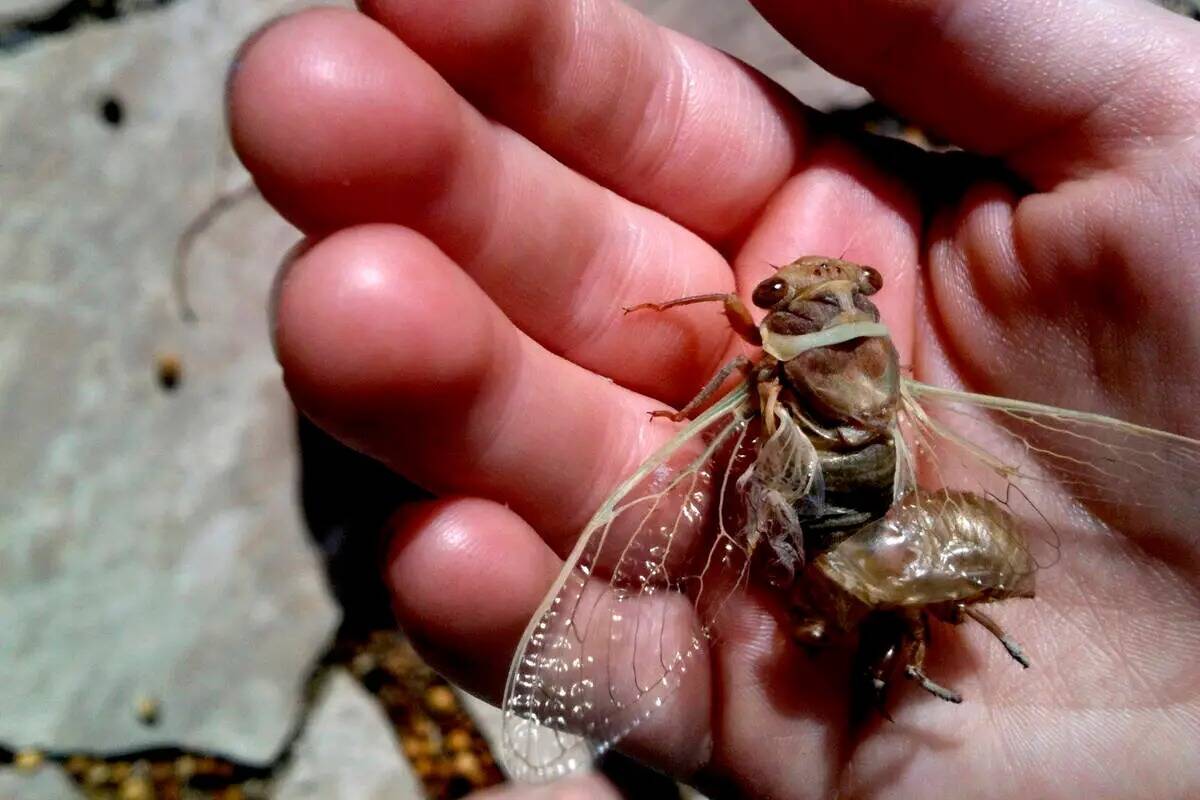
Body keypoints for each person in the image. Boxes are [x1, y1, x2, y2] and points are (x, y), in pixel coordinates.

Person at [226, 1, 1200, 797]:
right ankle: (880, 615)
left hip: (817, 498)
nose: (815, 297)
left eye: (825, 295)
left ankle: (857, 608)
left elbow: (712, 398)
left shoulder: (755, 363)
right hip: (869, 474)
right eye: (794, 297)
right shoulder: (877, 364)